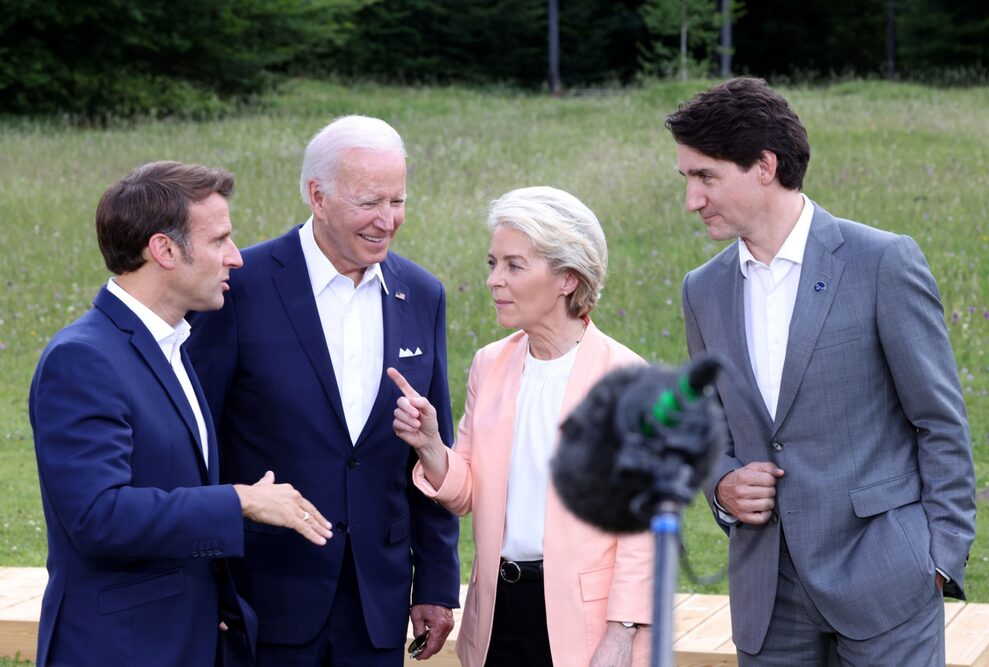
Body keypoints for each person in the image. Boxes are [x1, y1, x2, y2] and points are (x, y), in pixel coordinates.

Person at [667, 77, 976, 665]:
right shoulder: (702, 290)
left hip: (888, 588)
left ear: (764, 165)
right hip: (767, 597)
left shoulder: (882, 262)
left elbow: (940, 420)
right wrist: (724, 486)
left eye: (705, 176)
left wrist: (939, 561)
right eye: (686, 179)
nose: (692, 199)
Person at [29, 161, 334, 667]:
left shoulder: (174, 347)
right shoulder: (82, 358)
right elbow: (97, 516)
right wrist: (238, 501)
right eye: (219, 241)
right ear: (164, 250)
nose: (236, 258)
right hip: (118, 650)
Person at [185, 115, 460, 666]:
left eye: (398, 200)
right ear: (317, 196)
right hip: (263, 601)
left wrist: (434, 582)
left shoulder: (422, 293)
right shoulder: (238, 286)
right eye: (369, 203)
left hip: (376, 607)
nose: (387, 220)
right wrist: (205, 585)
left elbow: (432, 443)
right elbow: (198, 446)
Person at [389, 186, 653, 667]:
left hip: (585, 626)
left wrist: (622, 633)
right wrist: (429, 445)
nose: (494, 280)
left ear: (568, 279)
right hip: (497, 616)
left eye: (514, 265)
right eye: (492, 263)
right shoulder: (490, 363)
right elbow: (467, 491)